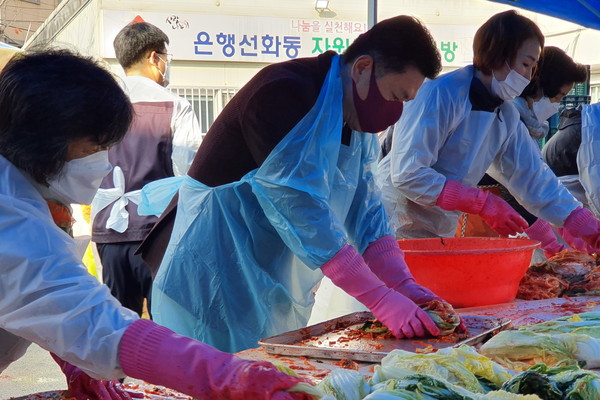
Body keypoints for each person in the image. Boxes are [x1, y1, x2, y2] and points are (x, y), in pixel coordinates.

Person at [0, 49, 310, 400]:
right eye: (95, 147)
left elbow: (45, 293)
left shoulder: (31, 189)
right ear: (42, 140)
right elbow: (66, 302)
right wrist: (226, 375)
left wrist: (75, 362)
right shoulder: (6, 207)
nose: (103, 163)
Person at [139, 15, 452, 353]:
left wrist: (401, 282)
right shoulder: (284, 93)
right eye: (395, 95)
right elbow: (302, 209)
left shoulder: (351, 115)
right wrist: (379, 298)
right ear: (362, 68)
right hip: (211, 266)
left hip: (262, 270)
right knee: (216, 374)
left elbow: (367, 208)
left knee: (265, 371)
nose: (396, 113)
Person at [377, 11, 600, 253]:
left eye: (533, 68)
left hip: (440, 226)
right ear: (498, 54)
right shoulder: (440, 93)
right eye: (525, 64)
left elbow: (534, 178)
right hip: (392, 219)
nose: (527, 77)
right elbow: (408, 173)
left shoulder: (506, 116)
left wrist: (583, 223)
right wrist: (481, 203)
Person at [91, 20, 202, 317]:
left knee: (117, 325)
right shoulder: (175, 105)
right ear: (155, 57)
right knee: (166, 321)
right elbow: (188, 172)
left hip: (108, 231)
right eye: (166, 57)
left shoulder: (98, 106)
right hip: (157, 234)